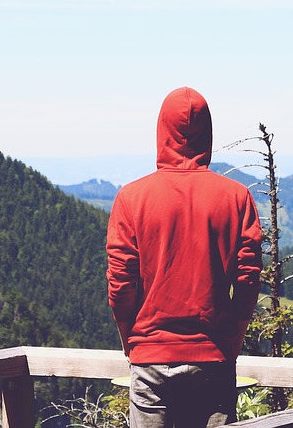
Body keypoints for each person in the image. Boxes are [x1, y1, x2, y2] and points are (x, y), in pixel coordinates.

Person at [106, 87, 263, 428]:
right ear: (207, 133)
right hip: (214, 358)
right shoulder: (237, 198)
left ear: (161, 130)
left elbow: (121, 286)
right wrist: (231, 341)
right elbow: (248, 282)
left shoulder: (131, 198)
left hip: (150, 358)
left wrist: (130, 341)